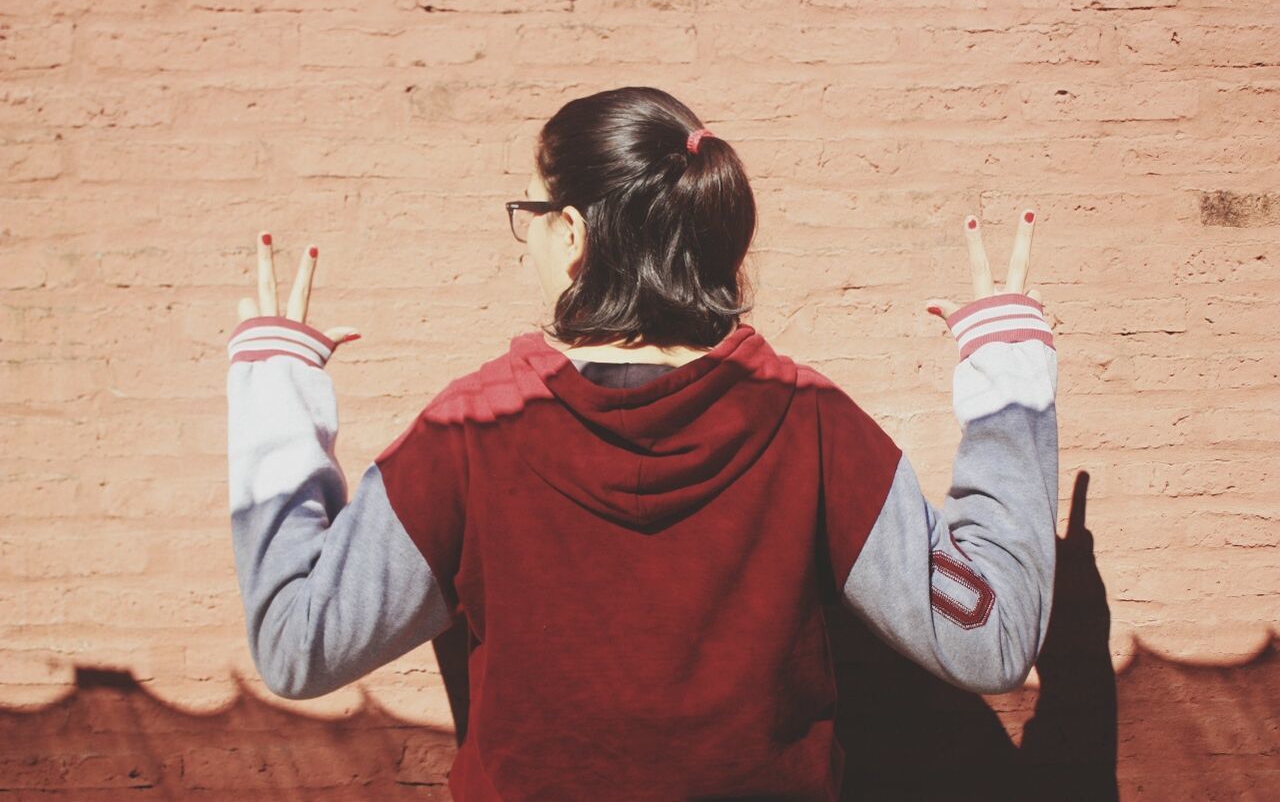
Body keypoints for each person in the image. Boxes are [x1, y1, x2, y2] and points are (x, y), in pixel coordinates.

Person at [225, 86, 1058, 800]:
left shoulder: (470, 432)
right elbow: (988, 637)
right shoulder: (808, 423)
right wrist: (1007, 369)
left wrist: (278, 381)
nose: (529, 242)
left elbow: (300, 643)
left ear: (575, 234)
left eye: (533, 214)